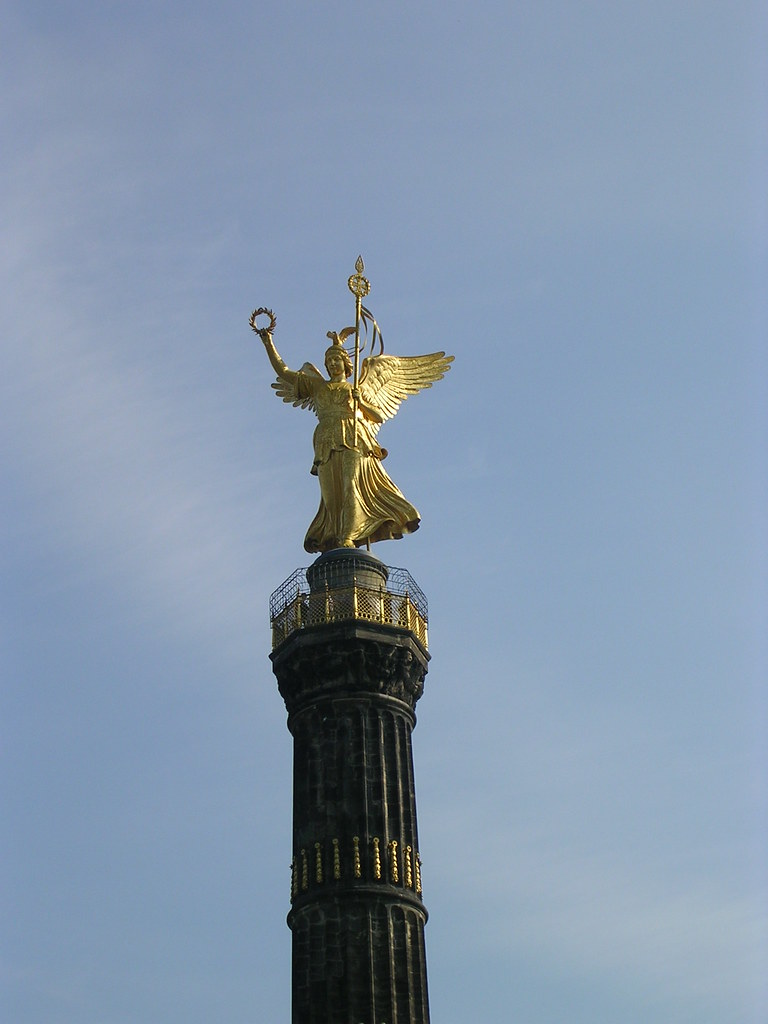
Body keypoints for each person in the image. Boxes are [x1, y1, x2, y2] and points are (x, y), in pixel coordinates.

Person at [258, 328, 421, 553]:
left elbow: (378, 415)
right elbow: (284, 371)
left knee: (350, 485)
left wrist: (360, 403)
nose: (333, 363)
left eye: (337, 359)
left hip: (354, 437)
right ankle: (335, 536)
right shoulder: (317, 386)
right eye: (329, 360)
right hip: (326, 439)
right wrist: (268, 343)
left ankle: (348, 536)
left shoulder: (356, 387)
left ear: (346, 363)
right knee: (331, 496)